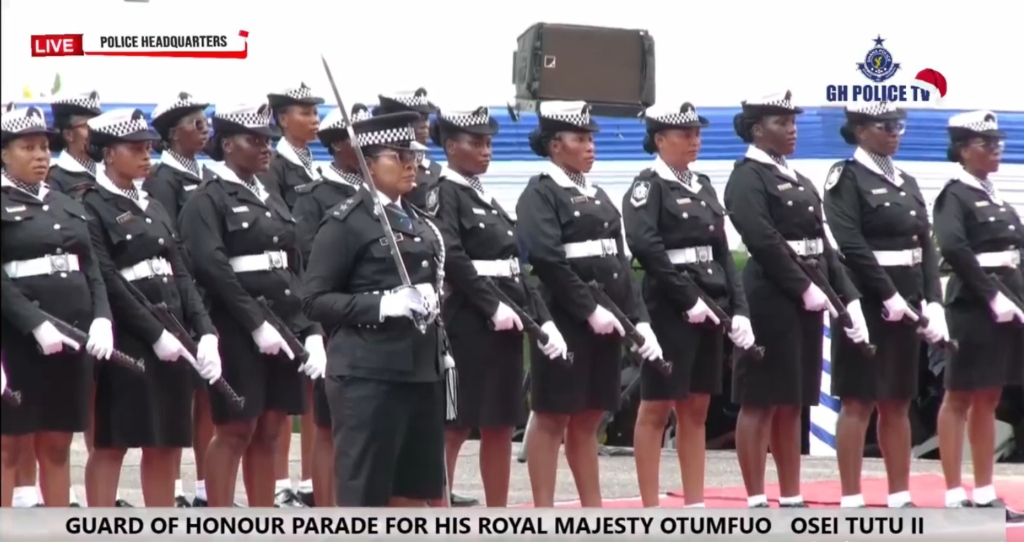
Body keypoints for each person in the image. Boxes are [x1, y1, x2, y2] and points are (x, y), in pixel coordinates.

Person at [723, 91, 869, 508]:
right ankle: (754, 497)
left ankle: (790, 494)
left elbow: (823, 244)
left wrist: (848, 297)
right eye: (781, 122)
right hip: (770, 293)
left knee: (792, 400)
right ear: (756, 129)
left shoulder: (798, 179)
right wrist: (803, 287)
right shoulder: (748, 176)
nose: (792, 130)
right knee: (760, 400)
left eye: (793, 122)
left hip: (808, 292)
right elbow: (762, 239)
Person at [178, 103, 326, 507]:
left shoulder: (270, 196)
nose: (265, 148)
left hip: (284, 324)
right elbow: (212, 269)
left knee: (272, 428)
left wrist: (309, 329)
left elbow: (291, 266)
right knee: (235, 429)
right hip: (236, 329)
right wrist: (256, 324)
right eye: (254, 140)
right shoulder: (207, 199)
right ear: (227, 144)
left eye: (268, 141)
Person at [515, 101, 662, 508]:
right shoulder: (541, 193)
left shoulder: (596, 194)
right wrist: (587, 309)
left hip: (608, 321)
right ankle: (543, 511)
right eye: (580, 138)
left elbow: (619, 261)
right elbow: (547, 258)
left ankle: (591, 510)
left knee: (589, 416)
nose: (590, 146)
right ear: (554, 145)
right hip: (564, 319)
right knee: (552, 417)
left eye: (591, 138)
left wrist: (639, 319)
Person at [301, 111, 448, 507]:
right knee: (366, 494)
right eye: (398, 156)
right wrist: (384, 304)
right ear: (367, 161)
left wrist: (431, 300)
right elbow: (315, 300)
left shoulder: (417, 222)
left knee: (413, 490)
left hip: (418, 372)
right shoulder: (346, 223)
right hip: (368, 375)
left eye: (412, 155)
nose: (410, 164)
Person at [76, 108, 223, 507]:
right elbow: (107, 278)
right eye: (135, 148)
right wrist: (156, 335)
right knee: (113, 443)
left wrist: (206, 331)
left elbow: (182, 274)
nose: (146, 155)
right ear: (107, 153)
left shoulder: (154, 206)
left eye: (149, 148)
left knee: (166, 443)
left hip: (175, 332)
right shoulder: (90, 206)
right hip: (129, 337)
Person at [426, 104, 568, 508]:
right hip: (467, 321)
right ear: (451, 146)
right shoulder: (444, 193)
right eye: (476, 143)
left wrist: (543, 320)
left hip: (505, 323)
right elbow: (451, 256)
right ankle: (439, 515)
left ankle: (497, 516)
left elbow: (514, 266)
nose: (486, 151)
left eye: (488, 143)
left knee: (500, 425)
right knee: (456, 425)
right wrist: (490, 306)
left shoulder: (486, 198)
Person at [622, 101, 755, 508]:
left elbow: (721, 251)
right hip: (670, 308)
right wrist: (686, 298)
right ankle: (649, 505)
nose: (694, 140)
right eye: (684, 134)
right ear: (660, 139)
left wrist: (740, 309)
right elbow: (647, 247)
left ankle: (694, 501)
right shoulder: (649, 187)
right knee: (656, 406)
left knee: (696, 407)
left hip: (710, 304)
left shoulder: (703, 185)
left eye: (696, 133)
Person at [821, 101, 948, 509]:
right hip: (866, 299)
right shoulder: (846, 178)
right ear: (860, 131)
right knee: (858, 399)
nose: (894, 132)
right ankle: (851, 495)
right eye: (885, 125)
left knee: (898, 399)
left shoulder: (906, 180)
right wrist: (886, 294)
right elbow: (851, 245)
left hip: (908, 301)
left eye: (899, 125)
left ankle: (899, 493)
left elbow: (925, 245)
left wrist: (933, 300)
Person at [0, 105, 115, 507]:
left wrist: (102, 318)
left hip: (72, 336)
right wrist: (33, 323)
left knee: (57, 443)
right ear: (4, 154)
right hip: (16, 340)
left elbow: (93, 268)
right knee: (9, 446)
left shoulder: (66, 202)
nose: (40, 155)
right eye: (28, 147)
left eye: (44, 147)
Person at [932, 110, 1024, 521]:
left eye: (997, 143)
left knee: (990, 397)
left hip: (1008, 303)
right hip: (972, 304)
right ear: (963, 150)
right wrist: (990, 295)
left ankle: (985, 490)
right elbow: (953, 248)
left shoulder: (995, 196)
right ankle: (954, 490)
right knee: (960, 395)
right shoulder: (955, 194)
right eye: (986, 144)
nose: (995, 150)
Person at [290, 102, 372, 507]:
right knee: (328, 426)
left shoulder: (379, 193)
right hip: (336, 322)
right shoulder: (316, 196)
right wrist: (315, 332)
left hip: (376, 323)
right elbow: (307, 264)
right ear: (339, 144)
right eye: (362, 139)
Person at [142, 91, 213, 507]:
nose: (205, 130)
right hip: (179, 298)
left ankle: (204, 487)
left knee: (207, 397)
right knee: (176, 403)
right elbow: (172, 243)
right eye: (195, 124)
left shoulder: (205, 176)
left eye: (206, 123)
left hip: (207, 298)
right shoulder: (162, 181)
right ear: (172, 135)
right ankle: (171, 491)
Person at [261, 83, 327, 506]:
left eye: (316, 111)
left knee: (314, 389)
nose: (315, 118)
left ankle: (308, 480)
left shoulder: (312, 163)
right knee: (285, 391)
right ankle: (278, 481)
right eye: (305, 111)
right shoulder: (276, 165)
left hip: (319, 279)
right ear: (283, 119)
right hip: (290, 281)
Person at [374, 89, 441, 210]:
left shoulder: (438, 172)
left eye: (426, 118)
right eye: (416, 118)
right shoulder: (375, 169)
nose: (424, 124)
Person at [47, 91, 102, 197]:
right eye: (88, 126)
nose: (96, 132)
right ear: (68, 135)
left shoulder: (109, 170)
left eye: (97, 125)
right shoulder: (53, 178)